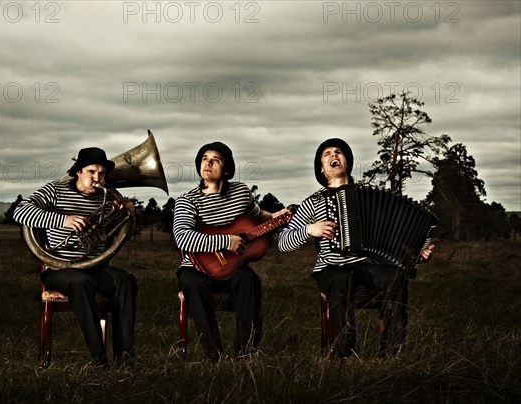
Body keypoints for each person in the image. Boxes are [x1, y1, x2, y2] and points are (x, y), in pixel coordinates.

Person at [278, 138, 434, 358]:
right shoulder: (313, 202)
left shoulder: (369, 197)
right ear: (322, 169)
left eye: (338, 152)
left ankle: (391, 353)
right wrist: (309, 230)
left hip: (368, 269)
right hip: (332, 269)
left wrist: (417, 255)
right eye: (327, 154)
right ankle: (342, 353)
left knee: (396, 275)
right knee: (340, 278)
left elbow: (395, 238)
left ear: (347, 163)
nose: (334, 155)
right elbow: (283, 242)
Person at [14, 147, 137, 368]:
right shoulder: (56, 190)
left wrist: (126, 213)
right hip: (59, 269)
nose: (97, 178)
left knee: (126, 281)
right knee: (82, 282)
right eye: (91, 172)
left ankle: (126, 357)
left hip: (95, 266)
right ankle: (99, 358)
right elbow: (20, 211)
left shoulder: (108, 196)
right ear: (78, 171)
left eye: (101, 173)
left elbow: (122, 234)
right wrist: (63, 220)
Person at [173, 141, 292, 361]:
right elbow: (182, 237)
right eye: (204, 158)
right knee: (192, 284)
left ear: (226, 170)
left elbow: (257, 214)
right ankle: (213, 355)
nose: (207, 163)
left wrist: (277, 217)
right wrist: (225, 241)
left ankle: (245, 351)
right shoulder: (187, 201)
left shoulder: (240, 193)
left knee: (249, 279)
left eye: (215, 160)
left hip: (232, 266)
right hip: (196, 268)